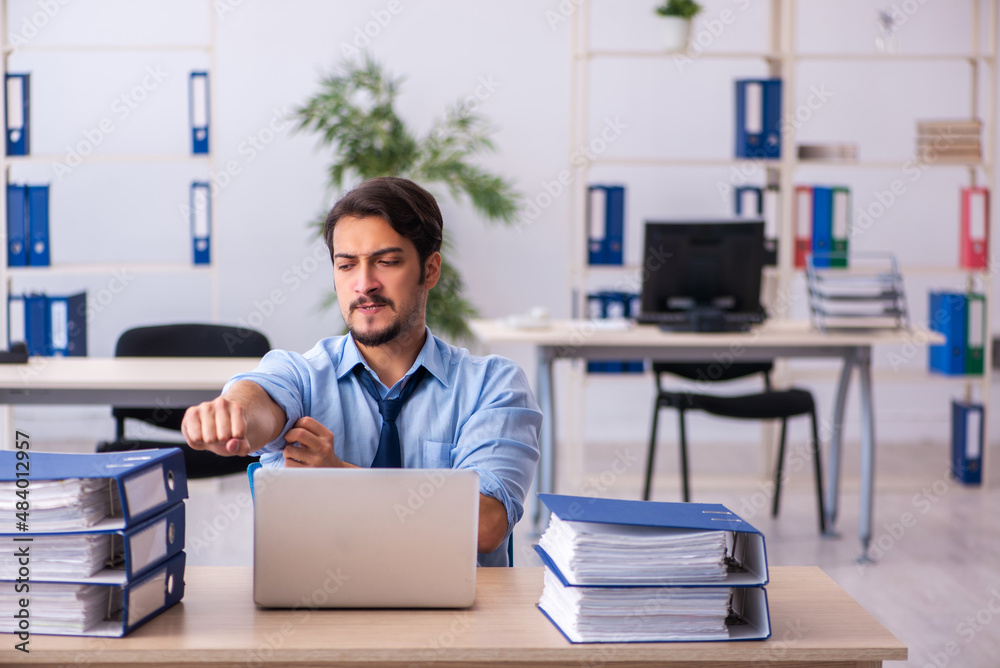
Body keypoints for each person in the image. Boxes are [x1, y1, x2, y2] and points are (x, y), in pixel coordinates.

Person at [181, 176, 541, 566]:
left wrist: (342, 479)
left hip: (458, 621)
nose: (364, 284)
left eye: (386, 262)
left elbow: (485, 523)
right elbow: (257, 401)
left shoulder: (494, 386)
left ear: (431, 269)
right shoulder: (302, 374)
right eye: (347, 265)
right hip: (321, 615)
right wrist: (231, 414)